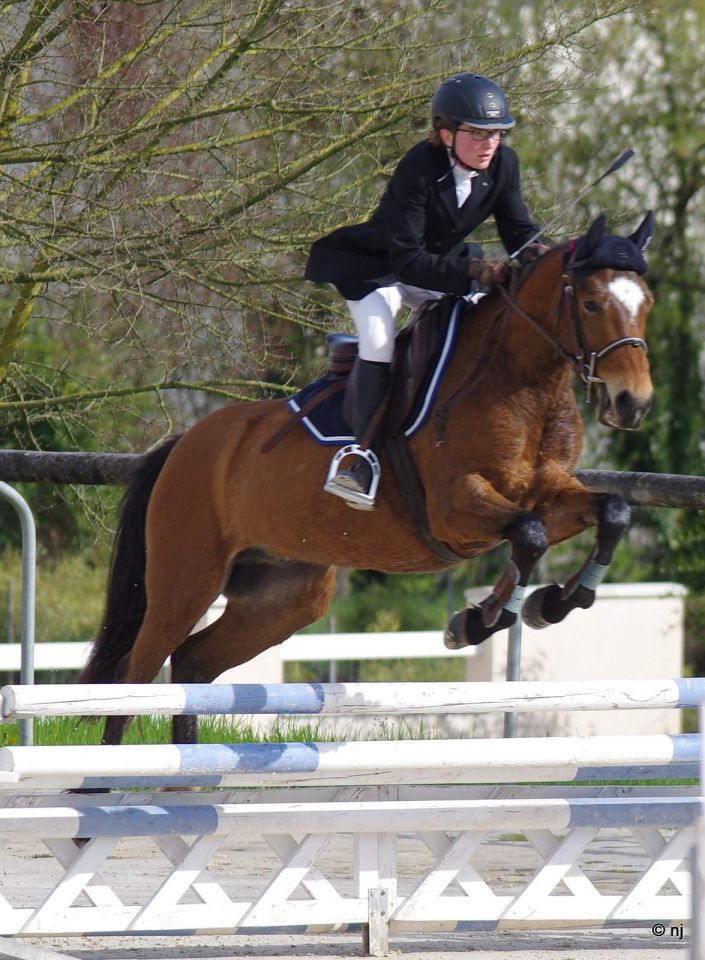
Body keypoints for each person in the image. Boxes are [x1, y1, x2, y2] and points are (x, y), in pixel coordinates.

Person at [305, 72, 547, 509]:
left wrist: (542, 254)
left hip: (442, 270)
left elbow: (518, 230)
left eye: (496, 133)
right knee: (379, 341)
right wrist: (474, 270)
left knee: (479, 324)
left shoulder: (503, 166)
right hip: (382, 272)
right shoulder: (420, 167)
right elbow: (407, 262)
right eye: (477, 134)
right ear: (445, 133)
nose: (490, 143)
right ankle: (362, 459)